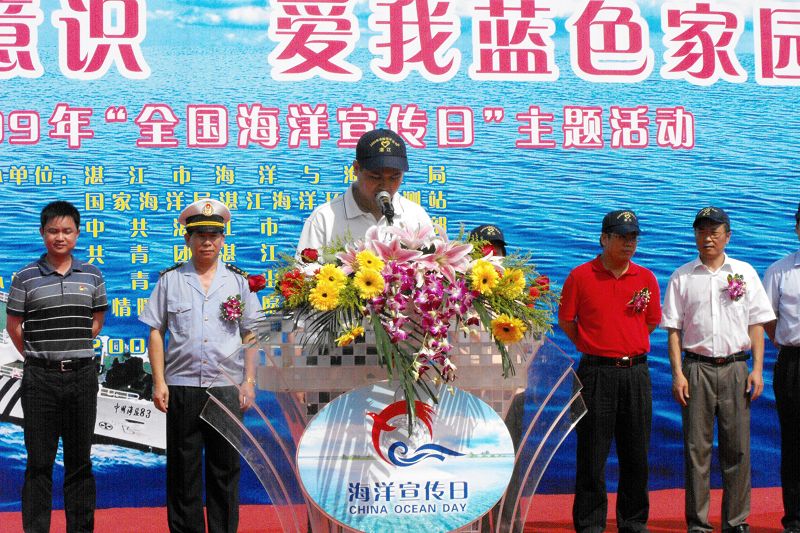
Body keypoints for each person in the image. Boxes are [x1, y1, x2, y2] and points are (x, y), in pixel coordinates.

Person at [140, 198, 260, 533]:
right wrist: (159, 382)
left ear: (223, 239)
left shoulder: (238, 282)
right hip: (182, 386)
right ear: (187, 239)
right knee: (183, 470)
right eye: (200, 235)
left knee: (225, 470)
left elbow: (251, 333)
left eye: (213, 235)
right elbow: (155, 331)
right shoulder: (171, 280)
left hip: (226, 388)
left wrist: (249, 381)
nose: (207, 241)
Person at [661, 206, 775, 533]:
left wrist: (757, 369)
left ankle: (736, 521)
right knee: (697, 450)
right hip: (696, 369)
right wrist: (677, 373)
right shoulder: (682, 276)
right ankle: (698, 523)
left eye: (714, 231)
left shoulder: (744, 272)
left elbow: (756, 323)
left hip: (736, 368)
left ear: (727, 236)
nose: (707, 238)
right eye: (701, 231)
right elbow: (673, 330)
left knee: (737, 449)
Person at [6, 200, 107, 533]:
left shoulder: (92, 275)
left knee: (80, 463)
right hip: (40, 381)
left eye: (66, 231)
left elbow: (96, 321)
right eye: (53, 231)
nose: (59, 237)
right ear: (42, 233)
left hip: (82, 378)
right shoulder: (25, 277)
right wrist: (41, 355)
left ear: (77, 234)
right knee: (39, 463)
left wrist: (70, 349)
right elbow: (14, 327)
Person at [558, 210, 661, 533]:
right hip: (596, 374)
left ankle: (633, 522)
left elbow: (652, 321)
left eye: (633, 237)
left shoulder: (646, 278)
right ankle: (590, 525)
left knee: (636, 454)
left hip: (635, 373)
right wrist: (593, 346)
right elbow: (566, 321)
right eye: (621, 237)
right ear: (604, 238)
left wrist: (626, 344)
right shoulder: (580, 276)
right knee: (592, 453)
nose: (628, 243)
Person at [296, 128, 433, 254]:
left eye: (394, 177)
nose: (385, 186)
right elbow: (305, 270)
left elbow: (433, 266)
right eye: (375, 177)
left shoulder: (416, 216)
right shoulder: (324, 218)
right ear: (356, 169)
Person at [762, 201, 800, 533]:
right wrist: (788, 344)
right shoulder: (779, 271)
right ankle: (795, 520)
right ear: (797, 228)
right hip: (793, 363)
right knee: (794, 444)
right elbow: (768, 319)